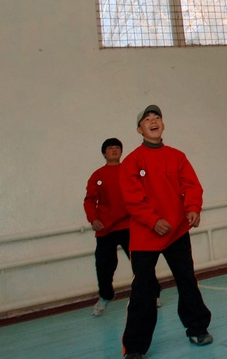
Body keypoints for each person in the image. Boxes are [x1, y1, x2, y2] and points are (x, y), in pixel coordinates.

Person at [120, 105, 213, 358]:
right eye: (147, 119)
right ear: (139, 129)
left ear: (163, 125)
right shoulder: (132, 161)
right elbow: (132, 199)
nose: (153, 121)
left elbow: (192, 186)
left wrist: (193, 208)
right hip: (145, 236)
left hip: (176, 232)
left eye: (157, 118)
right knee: (143, 291)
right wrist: (152, 220)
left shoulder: (177, 156)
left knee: (187, 281)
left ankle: (197, 328)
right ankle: (135, 348)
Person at [84, 137, 131, 317]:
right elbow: (89, 200)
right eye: (110, 148)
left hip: (129, 225)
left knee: (142, 263)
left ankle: (152, 294)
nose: (114, 150)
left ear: (121, 151)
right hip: (106, 228)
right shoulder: (98, 175)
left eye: (117, 147)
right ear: (104, 153)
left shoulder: (129, 171)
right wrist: (93, 219)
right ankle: (105, 296)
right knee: (104, 266)